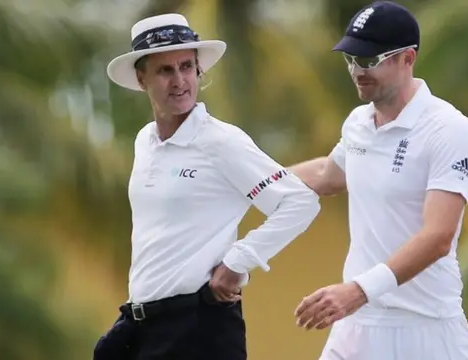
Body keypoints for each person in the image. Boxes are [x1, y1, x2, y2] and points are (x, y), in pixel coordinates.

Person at [94, 13, 320, 360]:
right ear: (142, 79)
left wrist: (238, 262)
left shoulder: (220, 141)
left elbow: (299, 201)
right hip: (143, 326)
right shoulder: (144, 141)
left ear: (199, 70)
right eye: (165, 70)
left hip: (199, 328)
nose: (179, 80)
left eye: (187, 67)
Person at [289, 2, 468, 359]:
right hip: (357, 325)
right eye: (351, 60)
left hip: (426, 328)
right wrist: (250, 181)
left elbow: (438, 237)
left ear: (408, 58)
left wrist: (358, 290)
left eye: (369, 61)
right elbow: (328, 176)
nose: (357, 70)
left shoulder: (447, 128)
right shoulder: (359, 122)